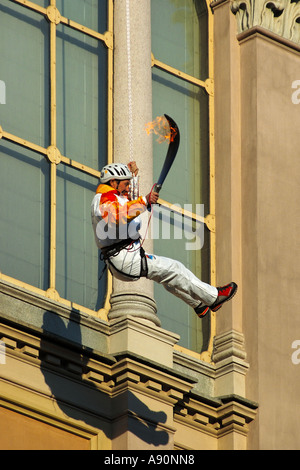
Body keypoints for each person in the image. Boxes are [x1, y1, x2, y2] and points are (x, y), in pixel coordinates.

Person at [91, 162, 237, 318]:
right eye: (125, 184)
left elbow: (127, 202)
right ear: (113, 182)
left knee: (167, 277)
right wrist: (145, 201)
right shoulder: (104, 199)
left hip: (124, 258)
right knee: (175, 268)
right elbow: (118, 215)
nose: (127, 187)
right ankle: (214, 297)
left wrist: (133, 177)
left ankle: (198, 304)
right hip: (124, 259)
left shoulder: (112, 197)